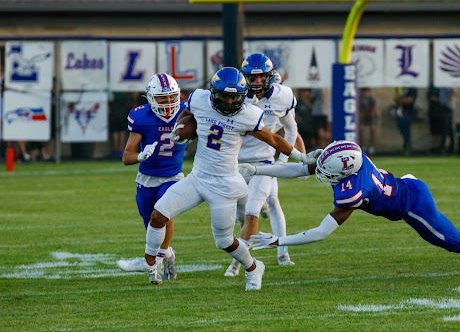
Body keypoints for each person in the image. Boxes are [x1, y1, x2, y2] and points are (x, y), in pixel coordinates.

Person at [117, 67, 322, 291]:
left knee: (224, 242)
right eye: (225, 95)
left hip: (223, 184)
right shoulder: (200, 99)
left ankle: (253, 267)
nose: (230, 100)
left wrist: (301, 157)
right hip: (196, 178)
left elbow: (273, 139)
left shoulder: (248, 114)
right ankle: (149, 262)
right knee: (158, 215)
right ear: (214, 92)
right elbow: (188, 114)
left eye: (235, 96)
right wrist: (180, 128)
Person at [241, 140, 460, 270]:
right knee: (452, 236)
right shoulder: (349, 159)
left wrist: (280, 241)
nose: (320, 173)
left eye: (327, 172)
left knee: (452, 242)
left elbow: (322, 232)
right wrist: (257, 170)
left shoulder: (354, 191)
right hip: (406, 184)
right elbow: (300, 169)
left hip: (412, 205)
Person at [223, 54, 299, 277]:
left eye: (260, 77)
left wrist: (284, 161)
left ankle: (241, 263)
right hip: (236, 163)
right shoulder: (235, 94)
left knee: (253, 211)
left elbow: (292, 129)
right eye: (251, 78)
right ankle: (257, 247)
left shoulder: (283, 96)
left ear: (269, 76)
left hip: (264, 163)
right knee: (239, 214)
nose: (256, 82)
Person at [118, 73, 186, 285]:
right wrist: (140, 155)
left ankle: (154, 262)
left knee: (163, 214)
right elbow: (126, 157)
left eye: (171, 96)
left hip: (173, 176)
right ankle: (167, 254)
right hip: (147, 178)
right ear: (150, 98)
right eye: (161, 98)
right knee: (151, 224)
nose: (167, 102)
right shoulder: (141, 117)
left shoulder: (187, 111)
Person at [393, 87, 417, 155]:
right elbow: (396, 98)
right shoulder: (401, 88)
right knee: (403, 131)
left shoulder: (412, 89)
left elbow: (409, 100)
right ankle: (405, 147)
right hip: (400, 113)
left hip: (408, 113)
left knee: (406, 131)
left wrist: (400, 100)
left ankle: (408, 148)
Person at [358, 87, 377, 155]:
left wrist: (372, 123)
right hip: (362, 117)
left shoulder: (372, 100)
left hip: (370, 117)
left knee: (373, 129)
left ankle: (371, 147)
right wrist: (362, 123)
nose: (366, 93)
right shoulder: (359, 100)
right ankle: (363, 147)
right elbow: (360, 113)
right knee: (361, 129)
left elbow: (373, 112)